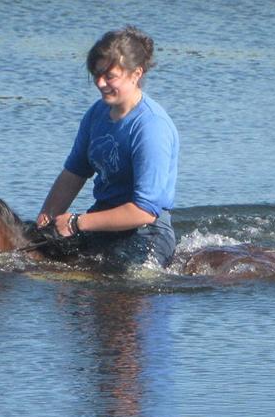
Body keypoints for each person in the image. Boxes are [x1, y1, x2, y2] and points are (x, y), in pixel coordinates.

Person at [37, 26, 179, 268]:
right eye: (96, 75)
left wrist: (76, 223)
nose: (100, 83)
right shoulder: (96, 114)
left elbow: (144, 211)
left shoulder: (151, 127)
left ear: (136, 74)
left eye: (109, 76)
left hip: (147, 232)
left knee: (112, 280)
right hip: (100, 221)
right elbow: (74, 173)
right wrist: (44, 224)